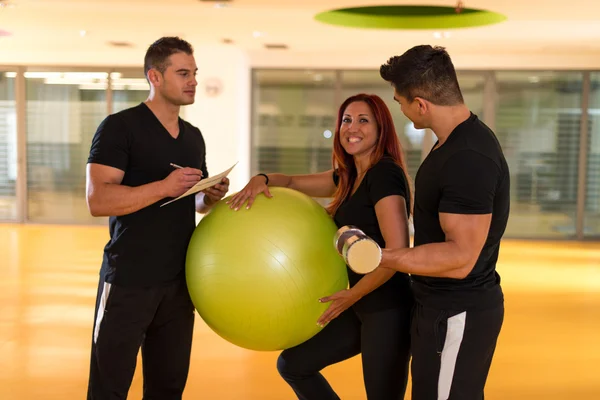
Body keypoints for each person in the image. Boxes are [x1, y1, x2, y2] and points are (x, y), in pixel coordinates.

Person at [227, 93, 414, 400]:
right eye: (346, 120)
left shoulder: (384, 174)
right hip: (357, 303)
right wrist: (260, 179)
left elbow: (396, 252)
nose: (351, 127)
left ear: (381, 129)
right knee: (294, 364)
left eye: (363, 120)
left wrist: (352, 296)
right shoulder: (349, 176)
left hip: (387, 308)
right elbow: (288, 183)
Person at [85, 36, 229, 399]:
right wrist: (163, 187)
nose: (193, 80)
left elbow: (194, 206)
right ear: (155, 76)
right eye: (183, 73)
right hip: (128, 280)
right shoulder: (120, 127)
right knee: (109, 387)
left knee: (168, 387)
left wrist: (209, 196)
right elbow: (98, 199)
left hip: (179, 284)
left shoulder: (193, 138)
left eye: (194, 73)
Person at [377, 45, 510, 400]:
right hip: (440, 309)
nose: (401, 111)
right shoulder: (451, 144)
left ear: (420, 104)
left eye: (400, 102)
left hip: (457, 313)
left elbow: (459, 258)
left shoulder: (468, 156)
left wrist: (380, 256)